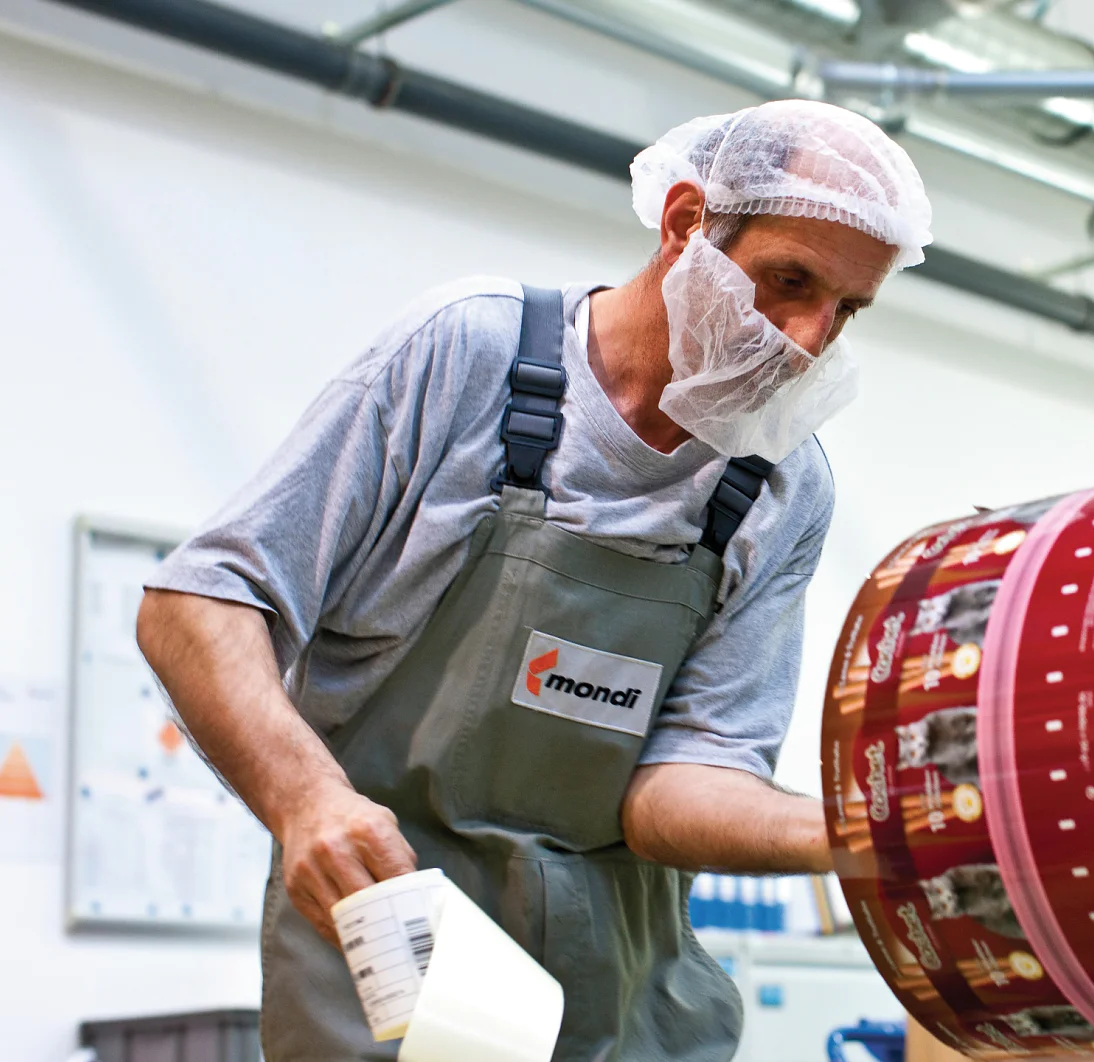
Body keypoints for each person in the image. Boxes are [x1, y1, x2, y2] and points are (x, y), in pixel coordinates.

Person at [135, 99, 932, 1060]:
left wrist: (863, 836)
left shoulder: (783, 486)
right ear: (686, 225)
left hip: (627, 1008)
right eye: (787, 280)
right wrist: (305, 797)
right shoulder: (470, 355)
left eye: (846, 309)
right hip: (401, 989)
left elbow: (676, 789)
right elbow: (202, 600)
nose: (808, 337)